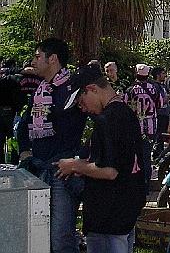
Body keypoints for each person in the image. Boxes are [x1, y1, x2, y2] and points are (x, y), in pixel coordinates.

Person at [55, 65, 146, 253]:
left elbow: (110, 171)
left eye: (81, 101)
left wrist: (74, 165)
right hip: (124, 213)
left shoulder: (108, 119)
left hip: (108, 218)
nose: (83, 108)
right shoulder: (126, 113)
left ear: (92, 89)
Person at [17, 38, 88, 253]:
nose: (33, 61)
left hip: (61, 172)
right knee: (38, 235)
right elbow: (25, 123)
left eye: (38, 56)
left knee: (60, 238)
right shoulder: (41, 90)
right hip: (37, 169)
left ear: (53, 59)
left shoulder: (72, 88)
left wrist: (75, 159)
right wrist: (24, 151)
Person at [123, 63, 161, 189]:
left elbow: (125, 106)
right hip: (150, 128)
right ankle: (146, 185)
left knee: (134, 157)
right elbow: (160, 104)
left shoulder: (130, 89)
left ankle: (135, 184)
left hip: (135, 128)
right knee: (146, 157)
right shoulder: (155, 88)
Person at [150, 66, 170, 161]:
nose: (165, 75)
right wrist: (167, 98)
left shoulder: (163, 86)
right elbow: (159, 100)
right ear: (158, 75)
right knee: (159, 135)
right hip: (159, 114)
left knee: (162, 135)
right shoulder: (155, 86)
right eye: (162, 73)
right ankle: (157, 154)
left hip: (165, 113)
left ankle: (160, 153)